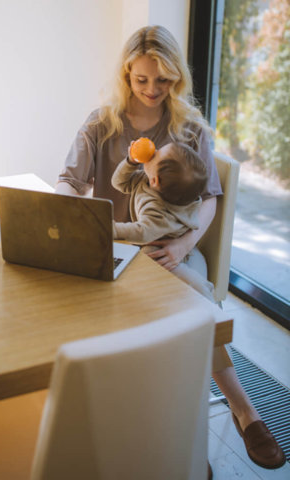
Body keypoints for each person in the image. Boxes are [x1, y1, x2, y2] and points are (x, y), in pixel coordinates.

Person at [56, 25, 285, 470]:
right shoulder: (101, 123)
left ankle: (242, 410)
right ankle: (115, 424)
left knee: (192, 305)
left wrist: (182, 246)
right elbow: (69, 180)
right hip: (116, 248)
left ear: (177, 76)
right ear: (126, 75)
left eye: (163, 80)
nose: (153, 90)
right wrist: (69, 215)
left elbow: (210, 199)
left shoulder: (189, 128)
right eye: (142, 80)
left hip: (169, 250)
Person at [111, 141, 216, 302]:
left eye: (156, 154)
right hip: (160, 238)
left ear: (155, 181)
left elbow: (142, 232)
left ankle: (204, 292)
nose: (153, 151)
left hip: (161, 247)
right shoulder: (149, 181)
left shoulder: (159, 213)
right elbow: (118, 182)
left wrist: (109, 228)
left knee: (149, 260)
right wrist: (131, 161)